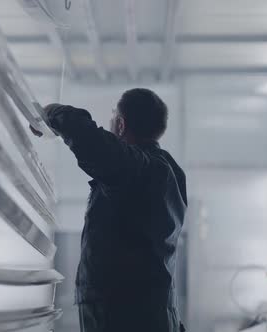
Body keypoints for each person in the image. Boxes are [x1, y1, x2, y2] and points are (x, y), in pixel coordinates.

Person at [31, 88, 187, 332]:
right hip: (146, 311)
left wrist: (52, 113)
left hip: (124, 314)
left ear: (121, 125)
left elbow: (91, 141)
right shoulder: (168, 172)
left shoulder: (141, 169)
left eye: (114, 118)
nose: (111, 124)